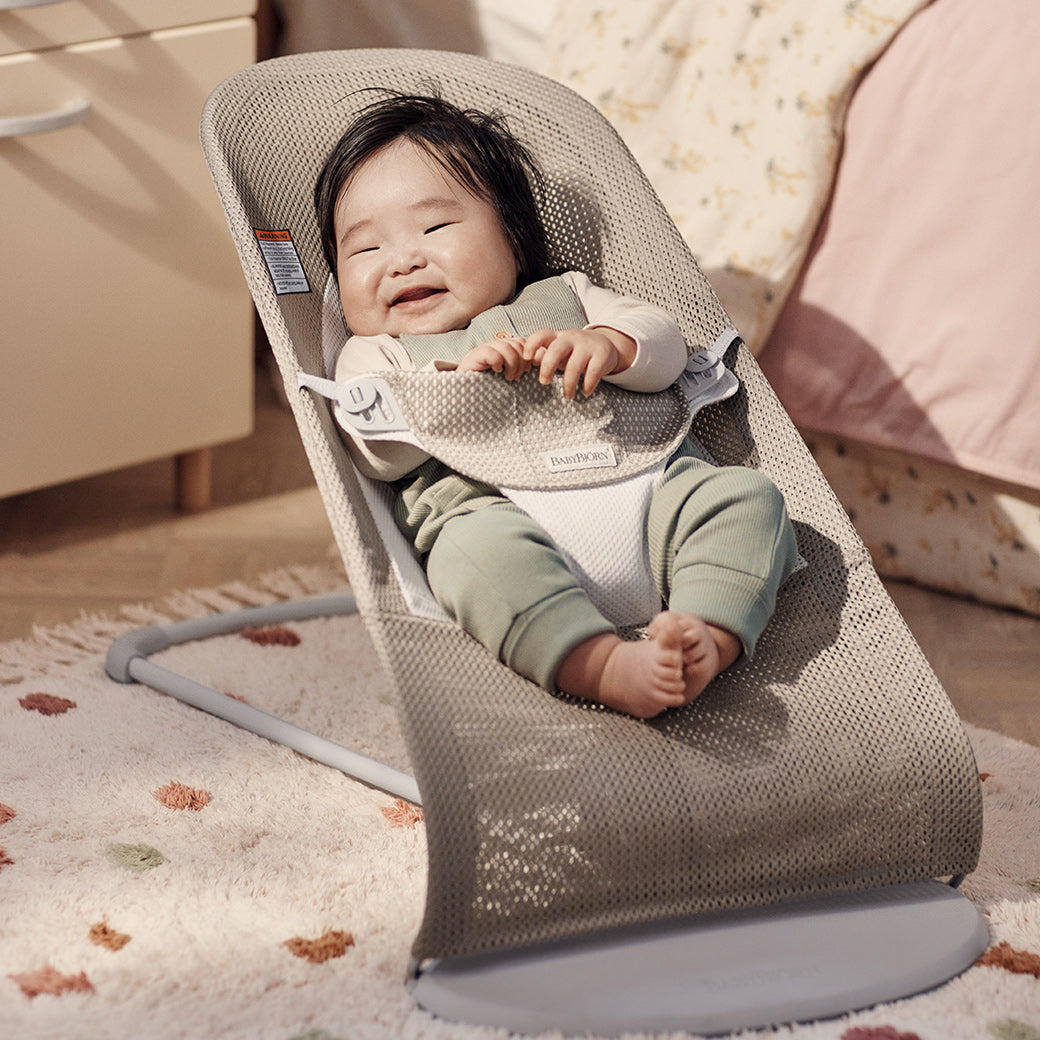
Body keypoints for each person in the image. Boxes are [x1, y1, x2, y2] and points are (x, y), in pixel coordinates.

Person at [314, 92, 798, 719]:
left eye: (434, 228)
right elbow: (373, 448)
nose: (403, 260)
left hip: (653, 494)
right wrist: (450, 384)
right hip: (497, 516)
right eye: (364, 250)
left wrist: (612, 345)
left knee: (745, 499)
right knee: (470, 558)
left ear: (515, 243)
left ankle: (705, 633)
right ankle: (603, 667)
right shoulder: (377, 353)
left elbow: (665, 347)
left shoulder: (568, 297)